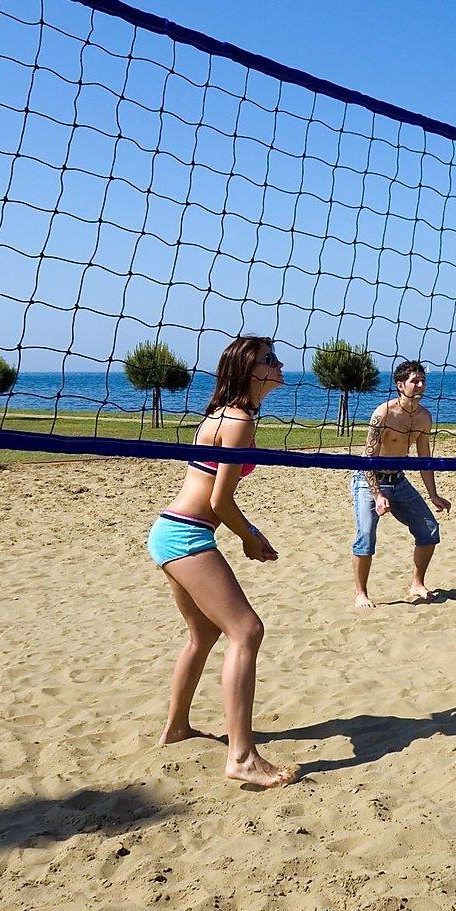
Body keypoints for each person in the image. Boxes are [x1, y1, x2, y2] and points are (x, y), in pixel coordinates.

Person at [146, 334, 296, 787]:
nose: (279, 362)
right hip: (187, 535)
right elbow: (219, 498)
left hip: (172, 531)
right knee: (247, 630)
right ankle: (242, 757)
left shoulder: (226, 414)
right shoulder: (238, 420)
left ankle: (176, 728)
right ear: (250, 370)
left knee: (203, 635)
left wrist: (247, 533)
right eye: (270, 359)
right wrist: (250, 536)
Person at [353, 359, 452, 608]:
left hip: (398, 479)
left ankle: (417, 584)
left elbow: (424, 458)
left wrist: (433, 494)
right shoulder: (383, 414)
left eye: (422, 381)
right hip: (369, 480)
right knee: (366, 536)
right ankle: (361, 593)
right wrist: (377, 496)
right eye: (414, 381)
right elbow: (368, 459)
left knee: (429, 530)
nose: (420, 385)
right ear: (400, 385)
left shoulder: (424, 417)